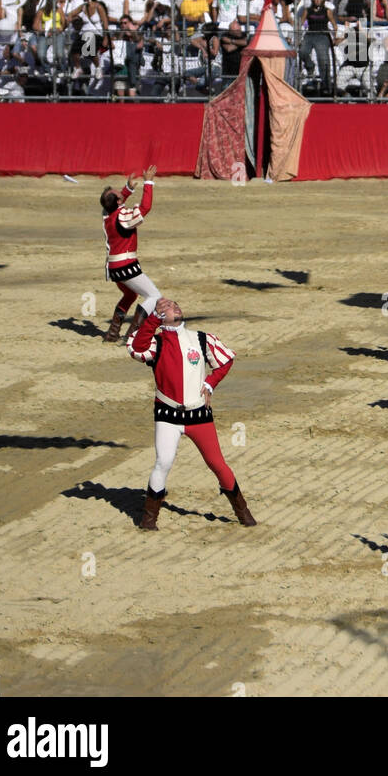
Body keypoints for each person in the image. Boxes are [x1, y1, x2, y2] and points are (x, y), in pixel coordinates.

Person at [127, 297, 256, 531]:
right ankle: (148, 521)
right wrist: (153, 318)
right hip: (167, 415)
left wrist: (210, 384)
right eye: (166, 307)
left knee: (217, 464)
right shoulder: (156, 341)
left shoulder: (201, 337)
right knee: (163, 462)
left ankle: (243, 513)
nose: (173, 307)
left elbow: (226, 360)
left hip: (199, 415)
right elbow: (137, 348)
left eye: (176, 305)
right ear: (159, 316)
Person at [99, 165, 161, 343]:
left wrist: (128, 189)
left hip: (113, 267)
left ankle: (112, 333)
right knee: (154, 296)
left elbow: (115, 203)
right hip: (126, 266)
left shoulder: (107, 216)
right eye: (119, 193)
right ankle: (132, 335)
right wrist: (149, 182)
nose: (120, 192)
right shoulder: (123, 217)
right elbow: (145, 208)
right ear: (118, 202)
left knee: (130, 295)